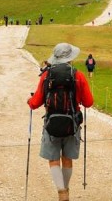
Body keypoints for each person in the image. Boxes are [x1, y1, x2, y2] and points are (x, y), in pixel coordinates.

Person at [28, 43, 94, 201]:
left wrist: (30, 101)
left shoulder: (46, 75)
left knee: (53, 159)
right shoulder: (77, 75)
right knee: (67, 159)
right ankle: (66, 188)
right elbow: (89, 102)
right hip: (72, 123)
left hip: (51, 124)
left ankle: (61, 192)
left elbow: (35, 102)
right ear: (70, 58)